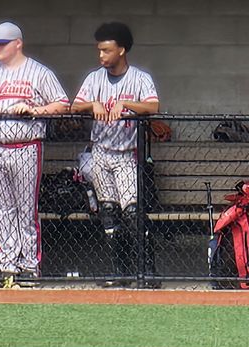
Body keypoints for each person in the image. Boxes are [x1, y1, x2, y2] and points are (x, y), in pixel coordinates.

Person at [0, 22, 70, 288]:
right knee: (2, 210)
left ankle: (29, 265)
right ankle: (9, 265)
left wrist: (35, 111)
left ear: (18, 43)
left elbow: (62, 104)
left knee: (26, 210)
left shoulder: (38, 72)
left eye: (3, 43)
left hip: (26, 145)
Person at [70, 22, 160, 287]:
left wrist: (127, 103)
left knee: (132, 212)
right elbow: (75, 106)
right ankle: (120, 272)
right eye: (100, 50)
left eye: (107, 50)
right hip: (100, 153)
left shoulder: (139, 77)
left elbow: (153, 106)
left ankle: (147, 272)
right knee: (108, 213)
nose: (101, 56)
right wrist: (93, 104)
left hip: (127, 155)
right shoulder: (95, 78)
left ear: (121, 50)